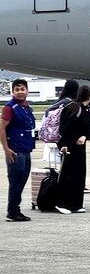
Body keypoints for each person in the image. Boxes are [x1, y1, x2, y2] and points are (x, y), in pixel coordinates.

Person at [1, 78, 36, 221]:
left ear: (27, 91)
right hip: (15, 151)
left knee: (21, 181)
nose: (20, 92)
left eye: (23, 89)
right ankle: (13, 211)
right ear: (12, 92)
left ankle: (15, 209)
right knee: (15, 181)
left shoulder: (26, 107)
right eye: (17, 89)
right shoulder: (10, 108)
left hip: (26, 149)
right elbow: (1, 128)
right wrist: (6, 149)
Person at [55, 85, 90, 214]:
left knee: (78, 175)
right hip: (70, 147)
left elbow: (88, 129)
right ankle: (62, 203)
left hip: (79, 148)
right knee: (69, 175)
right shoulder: (75, 108)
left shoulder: (83, 109)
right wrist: (64, 144)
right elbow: (66, 128)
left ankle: (76, 204)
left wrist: (84, 136)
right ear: (89, 96)